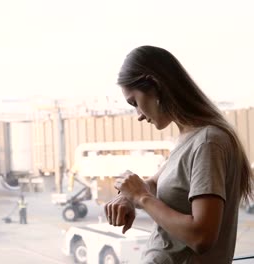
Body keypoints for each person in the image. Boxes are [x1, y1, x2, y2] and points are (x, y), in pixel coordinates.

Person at [104, 45, 253, 263]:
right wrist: (127, 195)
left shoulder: (207, 142)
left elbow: (201, 236)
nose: (138, 115)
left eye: (135, 102)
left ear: (154, 85)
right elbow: (154, 184)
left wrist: (140, 198)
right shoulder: (189, 139)